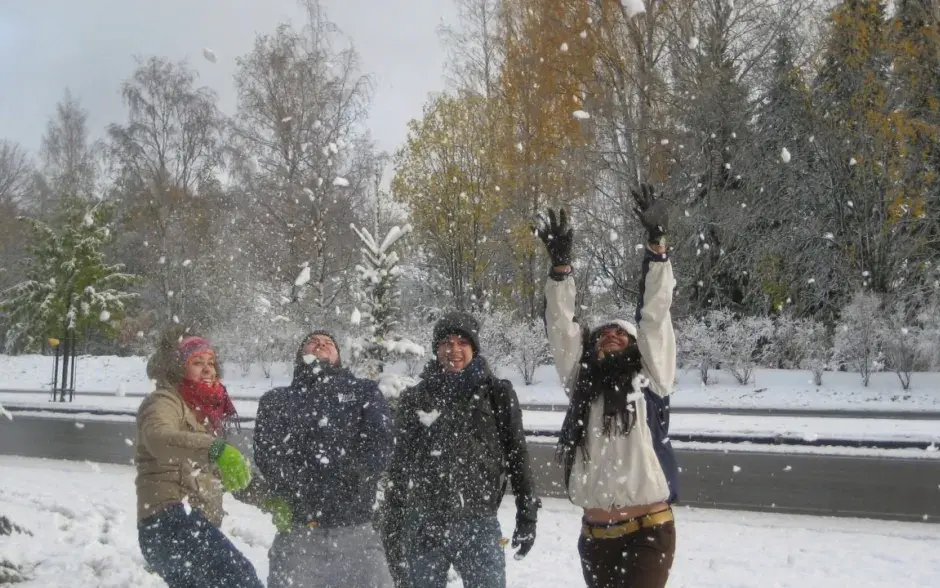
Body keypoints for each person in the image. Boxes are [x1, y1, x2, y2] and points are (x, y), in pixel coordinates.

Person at [537, 184, 679, 588]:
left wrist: (657, 249)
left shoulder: (651, 378)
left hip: (647, 530)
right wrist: (560, 270)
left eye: (620, 333)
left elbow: (654, 316)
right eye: (602, 334)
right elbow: (562, 329)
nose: (610, 335)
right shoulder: (582, 387)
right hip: (595, 536)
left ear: (636, 346)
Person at [384, 312, 541, 588]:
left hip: (479, 522)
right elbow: (400, 465)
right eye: (446, 343)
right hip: (424, 523)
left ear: (473, 348)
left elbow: (517, 454)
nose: (453, 350)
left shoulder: (497, 393)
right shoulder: (417, 397)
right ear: (436, 350)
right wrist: (393, 525)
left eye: (462, 343)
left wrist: (527, 514)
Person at [253, 331, 396, 588]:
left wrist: (354, 475)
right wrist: (301, 487)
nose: (321, 344)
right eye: (312, 341)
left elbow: (381, 441)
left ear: (338, 356)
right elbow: (268, 453)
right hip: (298, 534)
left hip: (356, 531)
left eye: (329, 343)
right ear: (300, 355)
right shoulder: (276, 401)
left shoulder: (364, 391)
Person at [135, 325, 262, 588]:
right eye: (197, 362)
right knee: (242, 580)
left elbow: (226, 477)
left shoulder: (203, 416)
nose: (208, 369)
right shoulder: (164, 401)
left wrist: (271, 499)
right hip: (169, 520)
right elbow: (158, 438)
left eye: (211, 362)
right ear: (179, 368)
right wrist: (214, 448)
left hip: (192, 526)